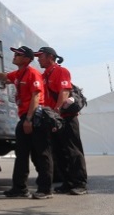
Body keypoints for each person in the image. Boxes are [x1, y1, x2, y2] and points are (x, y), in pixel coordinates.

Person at [0, 46, 53, 199]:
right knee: (21, 154)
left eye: (18, 54)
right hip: (24, 118)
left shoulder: (32, 73)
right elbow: (3, 76)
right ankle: (19, 188)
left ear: (26, 59)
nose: (14, 56)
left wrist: (29, 119)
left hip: (35, 117)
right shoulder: (19, 74)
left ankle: (45, 189)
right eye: (14, 54)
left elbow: (35, 97)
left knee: (41, 154)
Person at [35, 46, 88, 195]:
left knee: (73, 151)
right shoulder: (44, 75)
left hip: (66, 118)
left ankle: (80, 184)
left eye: (41, 56)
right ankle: (68, 182)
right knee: (59, 152)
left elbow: (64, 91)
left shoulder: (61, 71)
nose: (38, 59)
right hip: (54, 120)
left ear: (51, 57)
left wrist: (56, 112)